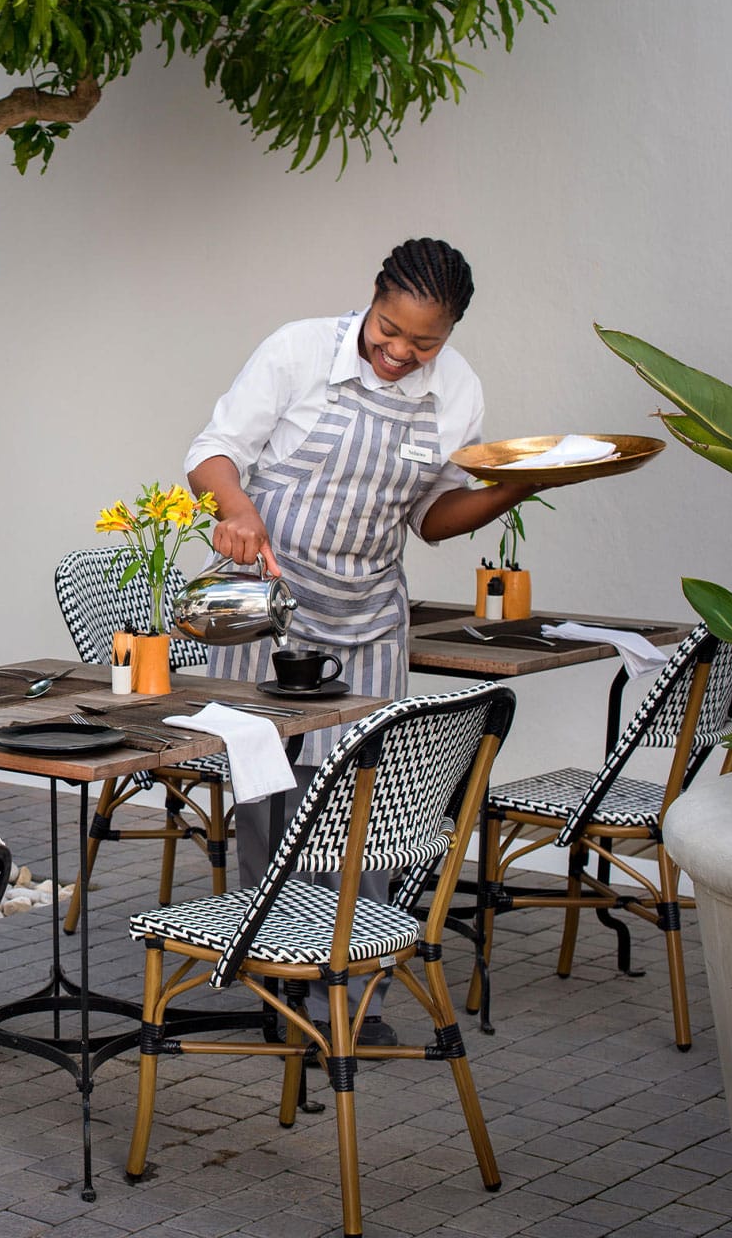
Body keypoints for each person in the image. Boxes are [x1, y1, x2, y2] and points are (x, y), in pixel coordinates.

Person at [184, 238, 546, 1046]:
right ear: (372, 299)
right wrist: (236, 510)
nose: (398, 352)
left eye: (424, 341)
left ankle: (355, 991)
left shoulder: (456, 391)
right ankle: (275, 980)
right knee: (267, 794)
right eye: (389, 329)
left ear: (449, 333)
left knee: (367, 798)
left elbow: (432, 518)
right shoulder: (298, 349)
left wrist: (521, 484)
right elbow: (212, 453)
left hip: (367, 610)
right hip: (265, 596)